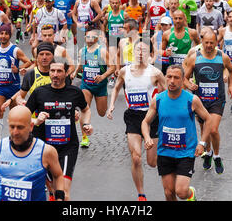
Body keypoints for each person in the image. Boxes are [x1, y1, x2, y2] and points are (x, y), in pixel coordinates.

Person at [141, 64, 213, 201]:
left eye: (176, 77)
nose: (172, 81)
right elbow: (145, 122)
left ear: (182, 80)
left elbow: (208, 119)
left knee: (181, 192)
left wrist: (202, 143)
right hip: (165, 152)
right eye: (169, 77)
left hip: (185, 152)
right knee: (169, 193)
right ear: (165, 78)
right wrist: (147, 137)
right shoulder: (158, 99)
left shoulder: (192, 100)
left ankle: (190, 194)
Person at [107, 41, 166, 201]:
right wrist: (111, 105)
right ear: (133, 52)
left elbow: (167, 93)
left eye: (144, 50)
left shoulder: (155, 73)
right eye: (138, 49)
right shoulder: (125, 71)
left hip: (151, 116)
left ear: (150, 54)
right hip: (133, 116)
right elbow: (117, 88)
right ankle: (141, 194)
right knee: (136, 157)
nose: (140, 52)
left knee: (152, 162)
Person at [26, 61, 93, 201]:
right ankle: (51, 193)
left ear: (66, 73)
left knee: (64, 193)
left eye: (59, 71)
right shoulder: (39, 92)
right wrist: (36, 120)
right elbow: (23, 118)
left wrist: (86, 123)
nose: (55, 74)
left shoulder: (74, 92)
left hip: (68, 147)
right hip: (44, 148)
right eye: (52, 71)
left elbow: (86, 110)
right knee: (54, 190)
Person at [0, 105, 65, 201]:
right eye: (12, 127)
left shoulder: (46, 151)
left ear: (31, 126)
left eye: (20, 127)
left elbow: (58, 176)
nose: (15, 132)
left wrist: (59, 198)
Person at [184, 27, 232, 174]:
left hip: (217, 99)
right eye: (206, 42)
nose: (208, 46)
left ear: (216, 43)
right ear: (202, 42)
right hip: (200, 101)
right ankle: (208, 152)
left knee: (213, 129)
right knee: (204, 129)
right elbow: (184, 78)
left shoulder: (222, 57)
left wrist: (231, 86)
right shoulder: (194, 58)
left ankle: (217, 155)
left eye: (211, 43)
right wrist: (189, 84)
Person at [72, 25, 115, 148]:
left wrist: (103, 76)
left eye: (93, 37)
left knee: (102, 112)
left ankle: (87, 125)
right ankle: (84, 138)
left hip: (100, 86)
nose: (90, 39)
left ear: (97, 38)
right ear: (85, 37)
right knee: (85, 109)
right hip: (86, 85)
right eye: (88, 36)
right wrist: (74, 73)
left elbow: (112, 67)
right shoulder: (82, 51)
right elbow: (80, 65)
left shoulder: (102, 51)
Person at [0, 24, 31, 142]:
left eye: (6, 34)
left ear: (10, 35)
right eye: (1, 34)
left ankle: (14, 136)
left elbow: (28, 62)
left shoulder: (15, 50)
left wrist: (18, 69)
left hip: (13, 87)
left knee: (14, 114)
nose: (3, 36)